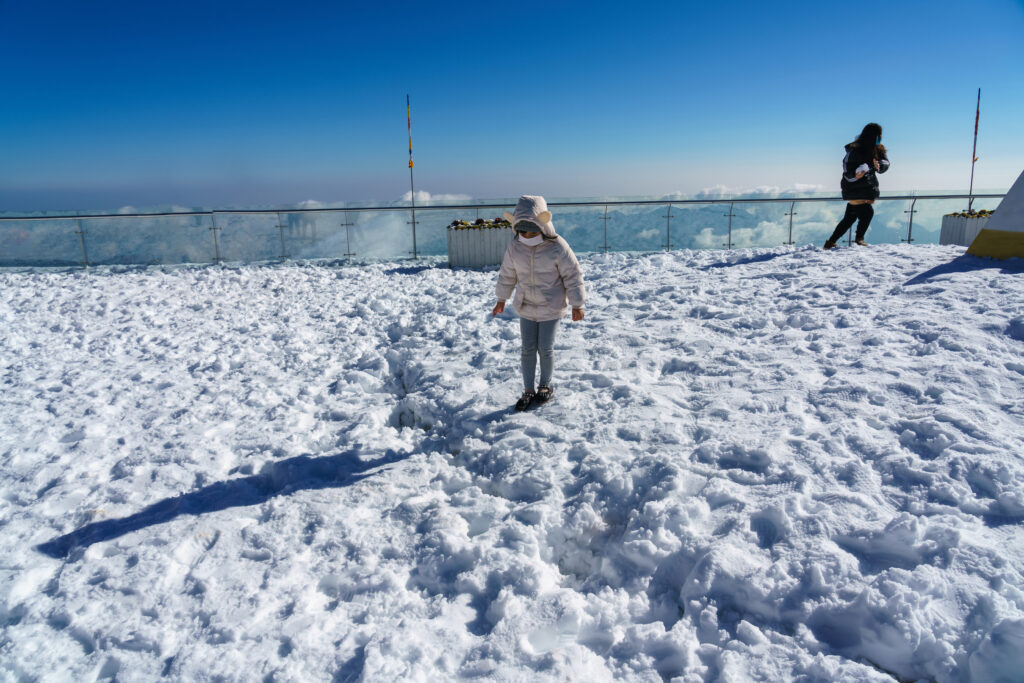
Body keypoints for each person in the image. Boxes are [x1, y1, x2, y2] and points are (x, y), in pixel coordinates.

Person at [492, 195, 585, 411]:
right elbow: (507, 274)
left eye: (532, 230)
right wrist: (501, 300)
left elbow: (573, 274)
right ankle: (528, 390)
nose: (527, 235)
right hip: (526, 306)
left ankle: (545, 385)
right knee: (527, 349)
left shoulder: (557, 246)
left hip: (551, 307)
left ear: (543, 225)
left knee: (545, 348)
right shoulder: (516, 247)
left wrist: (577, 304)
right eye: (522, 231)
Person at [824, 123, 890, 249]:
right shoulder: (855, 149)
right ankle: (859, 239)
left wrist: (880, 166)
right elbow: (847, 172)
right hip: (855, 189)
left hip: (864, 189)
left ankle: (830, 243)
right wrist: (856, 175)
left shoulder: (877, 149)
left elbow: (885, 162)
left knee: (849, 218)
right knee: (867, 212)